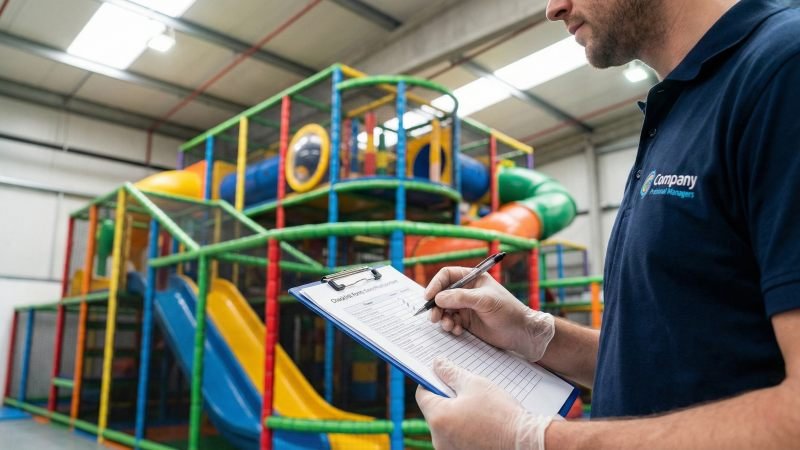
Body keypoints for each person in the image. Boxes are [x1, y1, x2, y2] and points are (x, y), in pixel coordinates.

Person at [415, 0, 800, 448]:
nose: (553, 8)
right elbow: (674, 364)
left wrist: (533, 440)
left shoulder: (783, 71)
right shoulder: (678, 106)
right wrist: (535, 334)